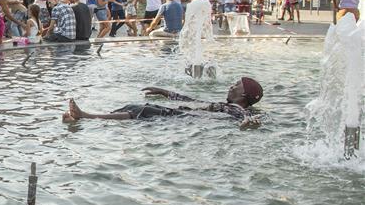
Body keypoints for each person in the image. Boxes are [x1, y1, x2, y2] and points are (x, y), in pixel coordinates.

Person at [62, 77, 264, 129]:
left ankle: (86, 116)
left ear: (244, 94)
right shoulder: (226, 105)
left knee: (144, 110)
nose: (231, 86)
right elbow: (194, 100)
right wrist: (165, 92)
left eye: (236, 85)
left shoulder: (237, 111)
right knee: (133, 107)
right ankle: (87, 118)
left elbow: (246, 117)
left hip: (186, 120)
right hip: (182, 113)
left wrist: (248, 121)